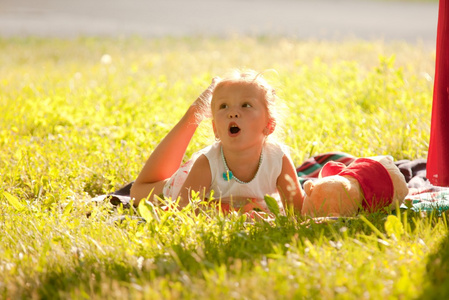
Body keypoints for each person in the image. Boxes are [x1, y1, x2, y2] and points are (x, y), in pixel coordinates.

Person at [130, 69, 304, 215]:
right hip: (186, 186)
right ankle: (195, 112)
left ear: (269, 125)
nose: (233, 113)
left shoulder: (277, 159)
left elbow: (298, 211)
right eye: (223, 106)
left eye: (246, 105)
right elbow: (184, 213)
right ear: (215, 129)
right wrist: (234, 215)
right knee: (138, 192)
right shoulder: (207, 163)